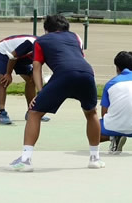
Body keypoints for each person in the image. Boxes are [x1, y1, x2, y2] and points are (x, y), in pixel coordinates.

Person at [8, 14, 103, 172]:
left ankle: (25, 160)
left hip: (64, 74)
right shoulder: (75, 37)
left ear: (46, 30)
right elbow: (78, 57)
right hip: (87, 73)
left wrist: (40, 92)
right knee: (91, 113)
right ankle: (95, 158)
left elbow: (37, 67)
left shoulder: (41, 41)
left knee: (34, 113)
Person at [0, 34, 50, 124]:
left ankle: (31, 112)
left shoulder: (47, 50)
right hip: (4, 52)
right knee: (4, 80)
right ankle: (2, 113)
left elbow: (37, 68)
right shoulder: (31, 43)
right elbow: (12, 56)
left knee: (32, 79)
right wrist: (8, 73)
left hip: (19, 57)